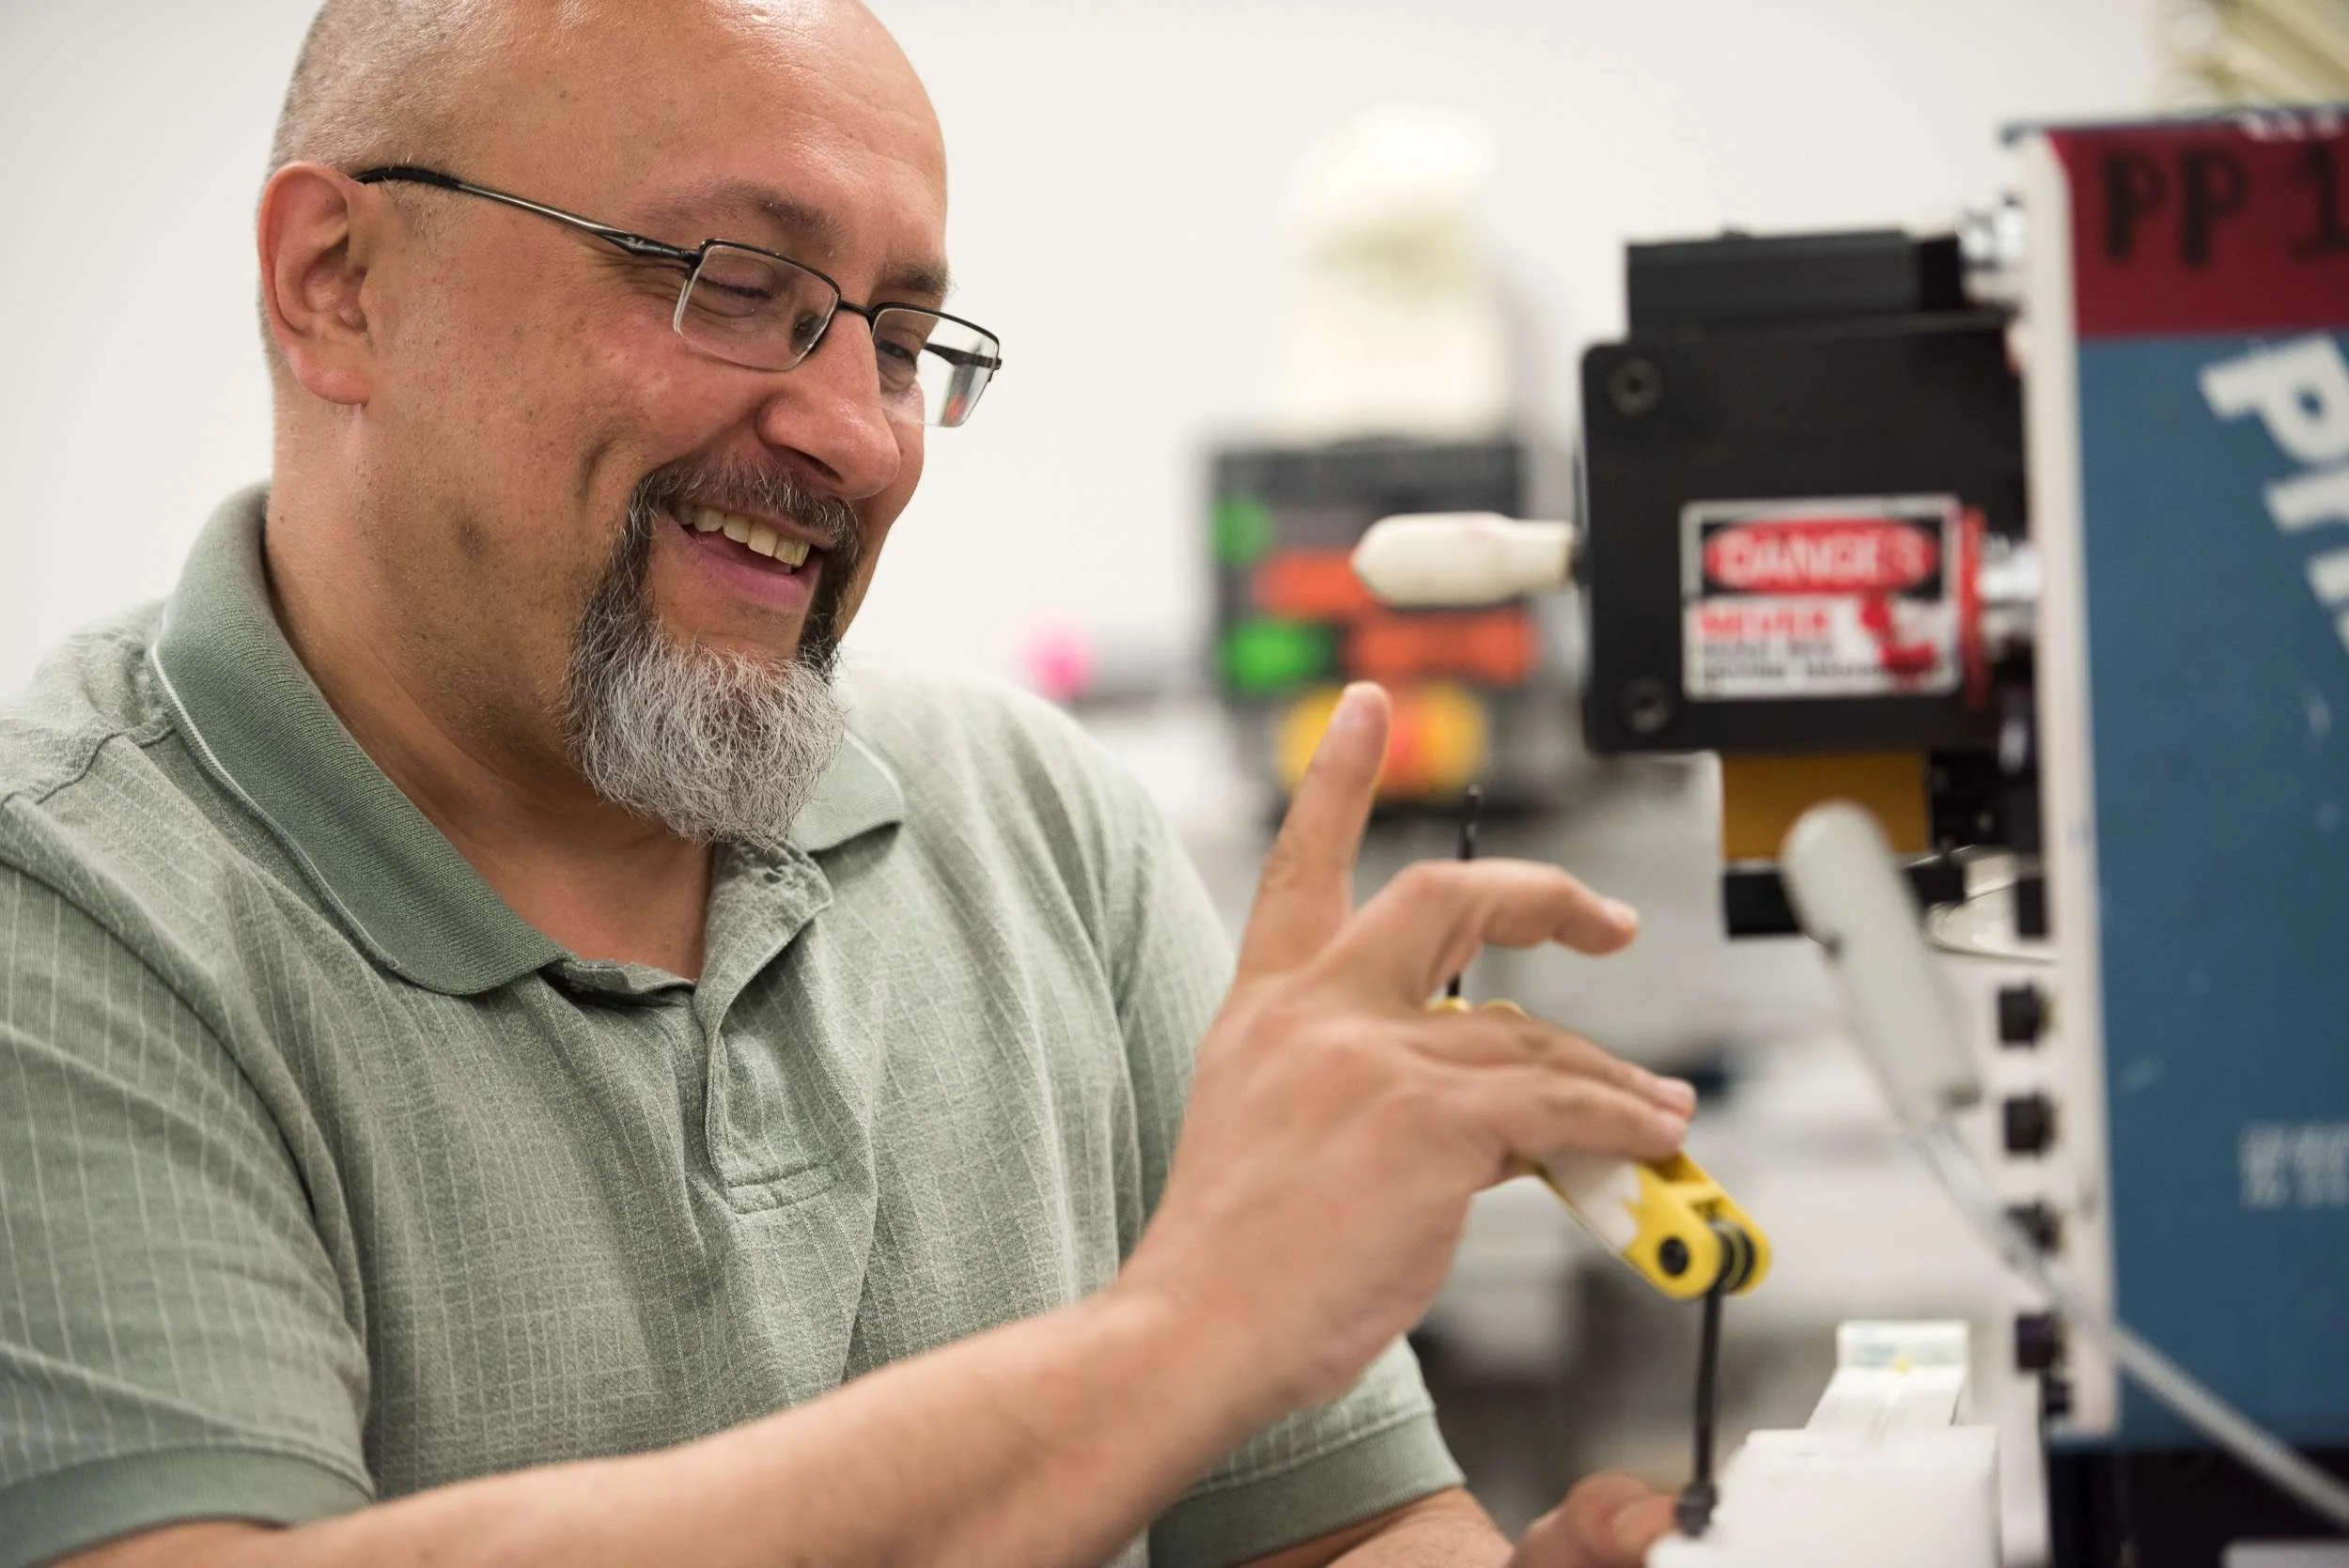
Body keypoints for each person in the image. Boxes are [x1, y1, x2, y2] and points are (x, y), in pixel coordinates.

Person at [0, 2, 1698, 1563]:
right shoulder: (71, 910)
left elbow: (1330, 1530)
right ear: (337, 283)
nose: (862, 436)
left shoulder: (1034, 823)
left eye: (895, 338)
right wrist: (1172, 1346)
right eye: (735, 284)